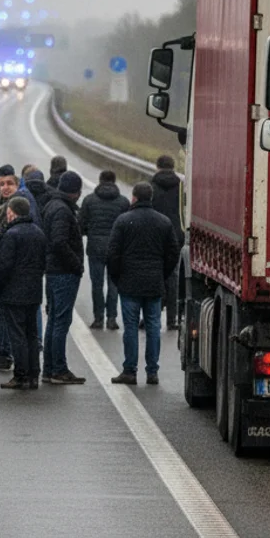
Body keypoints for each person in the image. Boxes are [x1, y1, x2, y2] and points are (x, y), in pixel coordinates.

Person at [108, 182, 181, 386]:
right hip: (154, 283)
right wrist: (162, 274)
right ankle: (152, 372)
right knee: (153, 327)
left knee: (130, 328)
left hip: (129, 283)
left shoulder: (123, 221)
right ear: (151, 198)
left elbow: (113, 253)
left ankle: (130, 371)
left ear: (134, 198)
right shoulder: (164, 222)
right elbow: (173, 253)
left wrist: (117, 278)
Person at [0, 197, 47, 390]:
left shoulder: (11, 234)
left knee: (17, 335)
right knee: (31, 334)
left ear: (11, 212)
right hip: (33, 291)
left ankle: (20, 374)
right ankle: (34, 374)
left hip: (14, 292)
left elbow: (4, 265)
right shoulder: (38, 232)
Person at [41, 171, 86, 385]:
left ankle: (49, 369)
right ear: (75, 192)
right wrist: (76, 265)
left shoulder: (52, 205)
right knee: (60, 321)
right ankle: (58, 369)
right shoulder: (62, 210)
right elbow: (59, 242)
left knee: (53, 320)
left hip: (54, 270)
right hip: (63, 272)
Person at [79, 170, 130, 330]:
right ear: (114, 181)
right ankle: (112, 318)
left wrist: (90, 232)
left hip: (95, 247)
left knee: (97, 284)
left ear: (100, 180)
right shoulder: (123, 202)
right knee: (113, 284)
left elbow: (81, 224)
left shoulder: (89, 200)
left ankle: (98, 318)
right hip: (116, 249)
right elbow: (127, 226)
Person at [152, 155, 185, 331]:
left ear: (157, 166)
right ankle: (172, 319)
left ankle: (153, 316)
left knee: (155, 274)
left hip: (155, 236)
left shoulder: (151, 186)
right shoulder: (181, 186)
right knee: (173, 276)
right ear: (173, 167)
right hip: (175, 235)